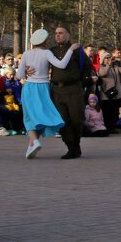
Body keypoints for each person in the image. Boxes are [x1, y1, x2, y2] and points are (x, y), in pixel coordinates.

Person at [16, 28, 78, 159]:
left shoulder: (26, 54)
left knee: (29, 117)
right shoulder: (47, 53)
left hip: (30, 87)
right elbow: (61, 65)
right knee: (39, 115)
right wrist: (70, 50)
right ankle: (31, 145)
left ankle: (35, 142)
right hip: (44, 87)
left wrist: (27, 72)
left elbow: (19, 75)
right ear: (44, 40)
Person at [49, 25, 90, 160]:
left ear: (67, 35)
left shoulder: (76, 50)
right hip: (57, 90)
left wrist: (82, 82)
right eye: (56, 33)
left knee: (76, 119)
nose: (58, 35)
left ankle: (76, 144)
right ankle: (71, 147)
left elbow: (87, 66)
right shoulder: (52, 51)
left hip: (73, 89)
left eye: (61, 33)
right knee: (62, 120)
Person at [96, 50, 121, 134]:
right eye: (106, 58)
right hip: (106, 95)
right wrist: (108, 65)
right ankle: (107, 127)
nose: (108, 59)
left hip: (115, 94)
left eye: (109, 57)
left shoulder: (115, 66)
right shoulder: (102, 67)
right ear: (103, 59)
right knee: (106, 112)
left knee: (114, 112)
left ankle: (112, 127)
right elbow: (102, 74)